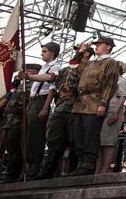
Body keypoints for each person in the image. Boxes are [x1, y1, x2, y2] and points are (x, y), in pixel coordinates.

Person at [70, 36, 120, 176]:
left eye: (100, 44)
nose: (96, 46)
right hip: (81, 103)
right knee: (78, 136)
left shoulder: (111, 62)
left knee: (90, 136)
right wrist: (80, 52)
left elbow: (110, 84)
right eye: (96, 44)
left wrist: (103, 103)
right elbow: (74, 66)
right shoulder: (90, 64)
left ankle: (88, 164)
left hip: (95, 101)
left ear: (108, 47)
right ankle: (80, 163)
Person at [36, 43, 87, 179]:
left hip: (76, 110)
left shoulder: (87, 69)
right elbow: (52, 82)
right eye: (78, 51)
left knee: (74, 142)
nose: (80, 54)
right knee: (54, 141)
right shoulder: (64, 70)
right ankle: (47, 172)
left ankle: (72, 172)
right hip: (60, 108)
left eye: (84, 52)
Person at [24, 42, 61, 178]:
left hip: (41, 101)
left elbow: (50, 84)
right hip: (33, 101)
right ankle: (29, 166)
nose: (42, 53)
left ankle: (35, 166)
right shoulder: (43, 67)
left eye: (45, 51)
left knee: (36, 136)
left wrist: (45, 107)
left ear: (52, 52)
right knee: (29, 134)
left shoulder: (55, 66)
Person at [97, 62, 126, 174]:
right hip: (102, 112)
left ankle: (105, 170)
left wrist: (115, 113)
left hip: (112, 111)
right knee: (100, 142)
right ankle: (98, 169)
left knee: (108, 142)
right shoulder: (108, 81)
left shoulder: (123, 81)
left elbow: (122, 97)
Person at [0, 78, 29, 183]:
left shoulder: (26, 90)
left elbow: (25, 107)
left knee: (16, 151)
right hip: (8, 124)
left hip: (17, 125)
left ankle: (14, 174)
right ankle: (10, 173)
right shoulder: (13, 93)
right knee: (10, 151)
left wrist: (13, 109)